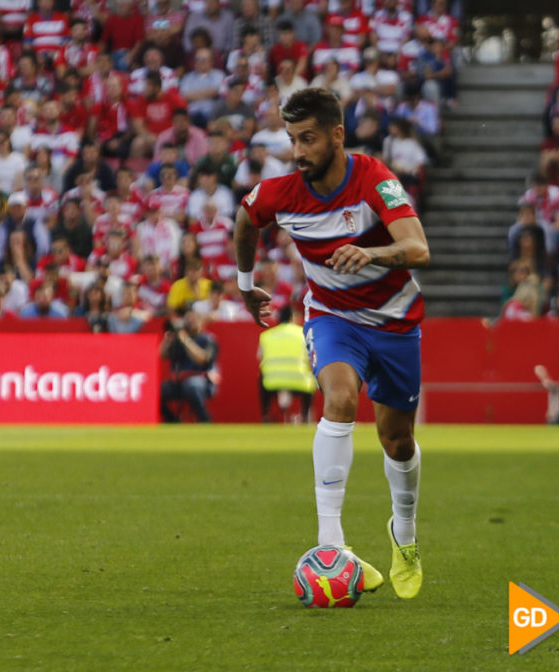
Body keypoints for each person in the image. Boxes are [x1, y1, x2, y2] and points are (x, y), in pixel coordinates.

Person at [234, 88, 430, 600]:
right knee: (339, 400)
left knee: (398, 441)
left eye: (309, 139)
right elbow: (245, 218)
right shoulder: (280, 192)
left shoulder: (374, 180)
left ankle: (403, 535)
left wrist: (372, 255)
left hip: (393, 322)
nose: (298, 152)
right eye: (292, 139)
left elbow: (418, 249)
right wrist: (243, 281)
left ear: (337, 135)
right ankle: (332, 547)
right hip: (331, 317)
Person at [258, 305, 316, 423]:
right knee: (313, 378)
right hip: (301, 383)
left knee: (261, 377)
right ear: (293, 318)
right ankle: (305, 415)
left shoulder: (266, 336)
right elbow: (312, 360)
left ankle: (265, 415)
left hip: (272, 383)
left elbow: (260, 358)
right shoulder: (304, 334)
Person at [159, 310, 219, 423]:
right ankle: (172, 421)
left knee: (192, 386)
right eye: (188, 319)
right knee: (158, 391)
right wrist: (168, 338)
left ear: (201, 321)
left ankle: (205, 420)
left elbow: (203, 359)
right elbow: (162, 355)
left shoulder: (208, 339)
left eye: (194, 319)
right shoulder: (179, 338)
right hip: (179, 381)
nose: (190, 322)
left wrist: (186, 340)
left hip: (202, 380)